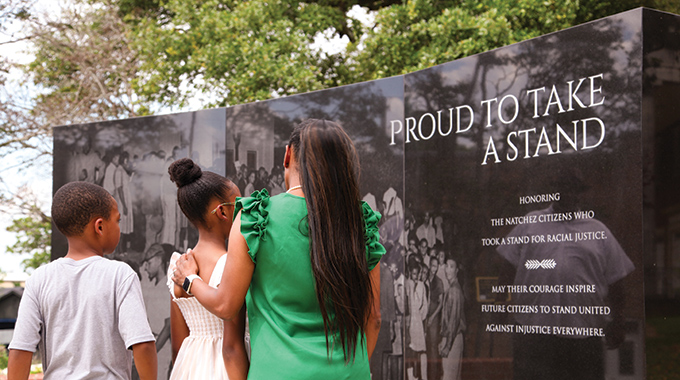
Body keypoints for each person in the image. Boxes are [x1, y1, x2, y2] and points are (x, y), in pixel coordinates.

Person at [172, 119, 385, 379]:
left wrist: (189, 280)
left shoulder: (255, 217)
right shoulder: (361, 222)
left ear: (287, 155)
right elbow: (373, 317)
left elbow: (226, 305)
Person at [8, 181, 157, 380]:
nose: (119, 228)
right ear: (100, 226)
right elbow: (143, 344)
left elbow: (21, 349)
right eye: (117, 220)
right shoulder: (120, 274)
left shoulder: (39, 279)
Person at [165, 158, 249, 380]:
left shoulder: (178, 265)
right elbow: (232, 349)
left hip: (189, 367)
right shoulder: (230, 265)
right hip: (226, 370)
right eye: (239, 206)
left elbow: (177, 345)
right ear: (222, 212)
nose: (244, 213)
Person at [439, 254, 465, 380]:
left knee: (449, 377)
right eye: (447, 266)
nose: (448, 270)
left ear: (456, 270)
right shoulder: (452, 288)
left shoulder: (454, 291)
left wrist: (447, 345)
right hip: (452, 338)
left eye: (451, 267)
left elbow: (453, 322)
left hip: (453, 339)